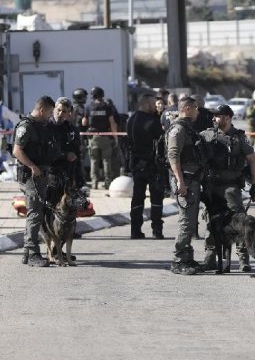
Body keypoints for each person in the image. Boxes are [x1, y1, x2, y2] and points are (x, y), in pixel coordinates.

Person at [199, 104, 255, 272]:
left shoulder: (239, 137)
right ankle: (210, 257)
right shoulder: (206, 135)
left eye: (217, 116)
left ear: (227, 117)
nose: (214, 118)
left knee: (239, 223)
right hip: (211, 187)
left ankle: (243, 259)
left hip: (231, 187)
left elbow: (252, 160)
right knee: (211, 223)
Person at [12, 96, 58, 267]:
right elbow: (17, 151)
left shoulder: (40, 126)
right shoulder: (27, 126)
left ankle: (27, 252)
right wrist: (33, 166)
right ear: (42, 110)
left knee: (37, 211)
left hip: (40, 175)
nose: (50, 116)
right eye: (50, 113)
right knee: (35, 212)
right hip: (31, 176)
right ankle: (32, 253)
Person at [167, 96, 204, 275]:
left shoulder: (188, 128)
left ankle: (187, 257)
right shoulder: (178, 129)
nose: (198, 111)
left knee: (190, 222)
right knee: (186, 222)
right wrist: (180, 181)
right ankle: (178, 261)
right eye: (196, 108)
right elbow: (173, 155)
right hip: (185, 181)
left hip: (192, 180)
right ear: (187, 108)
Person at [126, 94, 166, 239]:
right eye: (153, 104)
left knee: (137, 199)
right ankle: (157, 230)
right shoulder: (152, 121)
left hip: (136, 165)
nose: (155, 107)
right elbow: (162, 141)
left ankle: (135, 230)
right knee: (156, 199)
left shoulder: (131, 120)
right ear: (146, 104)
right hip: (152, 166)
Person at [87, 86, 118, 189]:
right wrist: (115, 136)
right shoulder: (107, 107)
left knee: (94, 160)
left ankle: (94, 183)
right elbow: (112, 122)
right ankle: (108, 183)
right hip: (105, 136)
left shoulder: (89, 107)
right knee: (106, 160)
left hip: (93, 138)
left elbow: (84, 122)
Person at [72, 88, 90, 181]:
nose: (85, 99)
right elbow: (80, 124)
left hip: (75, 136)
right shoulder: (79, 109)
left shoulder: (72, 107)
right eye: (84, 97)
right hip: (79, 137)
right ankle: (80, 179)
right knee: (80, 159)